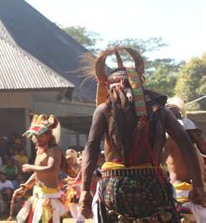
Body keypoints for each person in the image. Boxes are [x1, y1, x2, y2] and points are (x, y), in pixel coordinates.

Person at [79, 47, 205, 222]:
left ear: (110, 86)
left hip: (114, 191)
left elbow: (91, 148)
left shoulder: (105, 109)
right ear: (140, 83)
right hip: (154, 188)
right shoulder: (161, 111)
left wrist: (85, 189)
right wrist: (198, 185)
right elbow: (186, 145)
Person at [12, 114, 69, 223]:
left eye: (41, 136)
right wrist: (25, 187)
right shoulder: (39, 150)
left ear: (49, 135)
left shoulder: (54, 150)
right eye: (36, 136)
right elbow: (38, 173)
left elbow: (51, 169)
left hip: (49, 197)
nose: (38, 138)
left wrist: (30, 166)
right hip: (38, 195)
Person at [164, 96, 206, 222]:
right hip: (197, 194)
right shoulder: (193, 134)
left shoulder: (168, 136)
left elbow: (156, 164)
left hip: (181, 194)